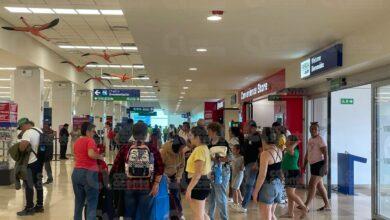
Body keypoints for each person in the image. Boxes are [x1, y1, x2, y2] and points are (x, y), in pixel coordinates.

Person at [110, 121, 164, 219]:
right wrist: (156, 184)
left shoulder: (126, 148)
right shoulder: (152, 148)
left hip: (129, 185)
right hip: (147, 185)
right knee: (145, 215)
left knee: (129, 215)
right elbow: (160, 168)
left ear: (133, 134)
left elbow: (116, 166)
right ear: (146, 134)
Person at [72, 122, 103, 220]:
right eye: (93, 131)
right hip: (89, 174)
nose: (94, 133)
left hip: (76, 173)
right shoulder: (90, 140)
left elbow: (75, 156)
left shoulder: (77, 141)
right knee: (91, 204)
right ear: (87, 132)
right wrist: (100, 156)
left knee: (78, 203)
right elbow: (90, 154)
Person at [252, 127, 284, 220]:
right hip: (278, 185)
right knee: (271, 214)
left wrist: (255, 191)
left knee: (266, 217)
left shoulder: (265, 154)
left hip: (268, 187)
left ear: (263, 139)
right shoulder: (279, 151)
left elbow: (262, 175)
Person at [16, 118, 45, 216]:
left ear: (24, 125)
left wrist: (19, 144)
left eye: (21, 127)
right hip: (40, 161)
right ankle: (40, 206)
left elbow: (22, 147)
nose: (21, 130)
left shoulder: (27, 132)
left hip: (31, 163)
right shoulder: (38, 130)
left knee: (28, 185)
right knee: (38, 184)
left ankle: (29, 208)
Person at [185, 126, 212, 220]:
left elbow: (197, 173)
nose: (189, 138)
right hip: (202, 183)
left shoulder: (199, 149)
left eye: (191, 135)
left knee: (198, 216)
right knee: (202, 213)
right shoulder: (204, 148)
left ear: (197, 137)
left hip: (198, 185)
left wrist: (189, 189)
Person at [303, 122, 331, 211]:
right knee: (320, 186)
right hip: (313, 165)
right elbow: (308, 153)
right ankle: (327, 205)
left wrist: (326, 166)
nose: (313, 130)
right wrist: (304, 164)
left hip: (320, 165)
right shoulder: (310, 139)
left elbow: (326, 154)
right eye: (311, 129)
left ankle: (306, 205)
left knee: (312, 185)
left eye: (315, 129)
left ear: (318, 130)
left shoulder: (320, 139)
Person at [207, 122, 231, 220]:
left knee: (220, 197)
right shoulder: (209, 142)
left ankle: (224, 218)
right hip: (211, 172)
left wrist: (216, 159)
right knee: (211, 197)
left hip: (222, 172)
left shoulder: (223, 142)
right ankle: (210, 217)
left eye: (209, 130)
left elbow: (229, 158)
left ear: (214, 131)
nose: (207, 132)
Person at [281, 135, 308, 218]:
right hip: (288, 173)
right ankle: (290, 213)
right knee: (290, 195)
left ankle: (304, 207)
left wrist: (296, 143)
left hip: (293, 173)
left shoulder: (294, 150)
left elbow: (290, 149)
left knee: (290, 193)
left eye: (287, 140)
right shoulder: (289, 150)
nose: (286, 141)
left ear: (292, 142)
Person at [160, 135, 186, 219]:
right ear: (176, 147)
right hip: (163, 176)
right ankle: (166, 214)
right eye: (181, 148)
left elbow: (182, 165)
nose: (182, 150)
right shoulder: (164, 151)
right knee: (166, 196)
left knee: (175, 195)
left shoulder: (181, 152)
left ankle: (179, 214)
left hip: (174, 176)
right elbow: (159, 166)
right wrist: (164, 176)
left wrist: (178, 176)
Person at [241, 120, 262, 211]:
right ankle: (251, 201)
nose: (245, 128)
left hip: (253, 164)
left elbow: (261, 151)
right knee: (249, 184)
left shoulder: (257, 137)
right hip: (248, 163)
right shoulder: (249, 137)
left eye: (247, 126)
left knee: (249, 184)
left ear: (252, 127)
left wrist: (257, 163)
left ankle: (244, 205)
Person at [230, 144, 245, 212]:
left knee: (235, 188)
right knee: (237, 188)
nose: (232, 150)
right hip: (234, 174)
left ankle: (236, 203)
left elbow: (243, 167)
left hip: (239, 174)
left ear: (238, 150)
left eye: (234, 149)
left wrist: (242, 167)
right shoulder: (233, 157)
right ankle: (241, 200)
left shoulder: (242, 158)